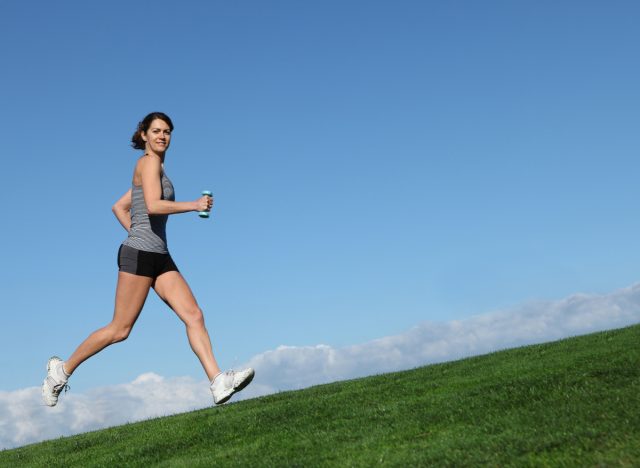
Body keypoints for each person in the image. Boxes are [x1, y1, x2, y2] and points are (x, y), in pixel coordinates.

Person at [42, 112, 254, 407]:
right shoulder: (148, 162)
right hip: (140, 254)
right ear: (143, 134)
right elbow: (153, 205)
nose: (162, 136)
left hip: (159, 254)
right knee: (120, 330)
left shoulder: (156, 170)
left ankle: (217, 381)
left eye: (167, 131)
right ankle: (60, 371)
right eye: (156, 131)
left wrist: (138, 230)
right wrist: (193, 205)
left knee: (194, 315)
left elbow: (119, 206)